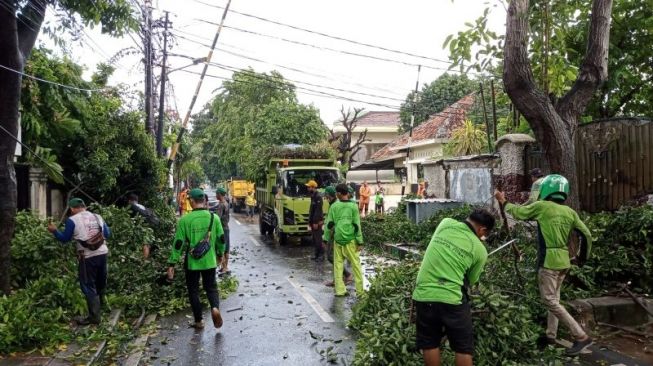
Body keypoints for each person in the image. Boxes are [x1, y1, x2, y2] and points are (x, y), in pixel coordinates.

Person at [494, 174, 593, 356]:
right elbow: (586, 235)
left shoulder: (542, 207)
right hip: (564, 261)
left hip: (548, 262)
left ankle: (581, 336)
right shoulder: (570, 212)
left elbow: (519, 213)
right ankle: (550, 336)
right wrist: (581, 258)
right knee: (554, 300)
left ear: (545, 189)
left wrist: (504, 201)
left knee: (549, 301)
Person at [412, 209, 495, 366]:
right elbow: (471, 279)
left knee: (430, 343)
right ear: (482, 230)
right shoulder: (480, 250)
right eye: (485, 234)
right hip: (451, 298)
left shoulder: (445, 223)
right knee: (464, 347)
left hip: (423, 294)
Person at [167, 188, 225, 330]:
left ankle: (199, 321)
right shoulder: (214, 218)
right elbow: (221, 239)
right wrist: (220, 254)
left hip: (192, 262)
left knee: (193, 290)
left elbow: (178, 243)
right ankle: (215, 308)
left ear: (192, 201)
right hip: (210, 260)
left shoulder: (184, 220)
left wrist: (172, 263)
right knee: (211, 288)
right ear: (204, 201)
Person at [47, 198, 112, 325]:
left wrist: (54, 231)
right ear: (84, 207)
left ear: (72, 209)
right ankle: (102, 308)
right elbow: (107, 234)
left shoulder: (72, 220)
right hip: (103, 253)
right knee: (100, 281)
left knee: (88, 284)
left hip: (87, 257)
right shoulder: (97, 216)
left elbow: (65, 239)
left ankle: (94, 317)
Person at [323, 184, 364, 297]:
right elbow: (357, 225)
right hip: (350, 240)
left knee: (338, 265)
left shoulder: (334, 207)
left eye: (337, 193)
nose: (336, 194)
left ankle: (340, 291)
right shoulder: (353, 206)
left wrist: (325, 239)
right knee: (356, 266)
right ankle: (360, 291)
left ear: (340, 193)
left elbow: (328, 224)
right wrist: (360, 241)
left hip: (338, 240)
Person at [323, 186, 353, 287]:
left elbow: (330, 223)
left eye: (326, 195)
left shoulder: (335, 205)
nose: (325, 198)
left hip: (335, 234)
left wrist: (325, 238)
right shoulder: (333, 204)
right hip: (336, 233)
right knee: (335, 258)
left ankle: (347, 275)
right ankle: (337, 279)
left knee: (332, 257)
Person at [127, 193, 159, 259]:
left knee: (145, 243)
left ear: (130, 201)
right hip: (152, 224)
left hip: (145, 226)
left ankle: (144, 261)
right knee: (147, 243)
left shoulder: (132, 206)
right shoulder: (141, 206)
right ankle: (146, 259)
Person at [306, 180, 325, 261]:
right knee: (314, 239)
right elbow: (312, 210)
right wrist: (310, 221)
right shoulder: (313, 196)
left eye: (309, 187)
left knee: (318, 240)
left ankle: (321, 256)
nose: (307, 188)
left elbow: (318, 211)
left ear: (313, 187)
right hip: (313, 222)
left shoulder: (318, 197)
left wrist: (315, 222)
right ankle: (316, 255)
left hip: (316, 222)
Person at [215, 188, 231, 275]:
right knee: (227, 248)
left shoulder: (221, 205)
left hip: (222, 229)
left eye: (216, 194)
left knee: (222, 248)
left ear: (219, 194)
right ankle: (225, 267)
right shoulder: (226, 203)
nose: (215, 195)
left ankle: (224, 268)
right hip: (226, 228)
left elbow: (217, 218)